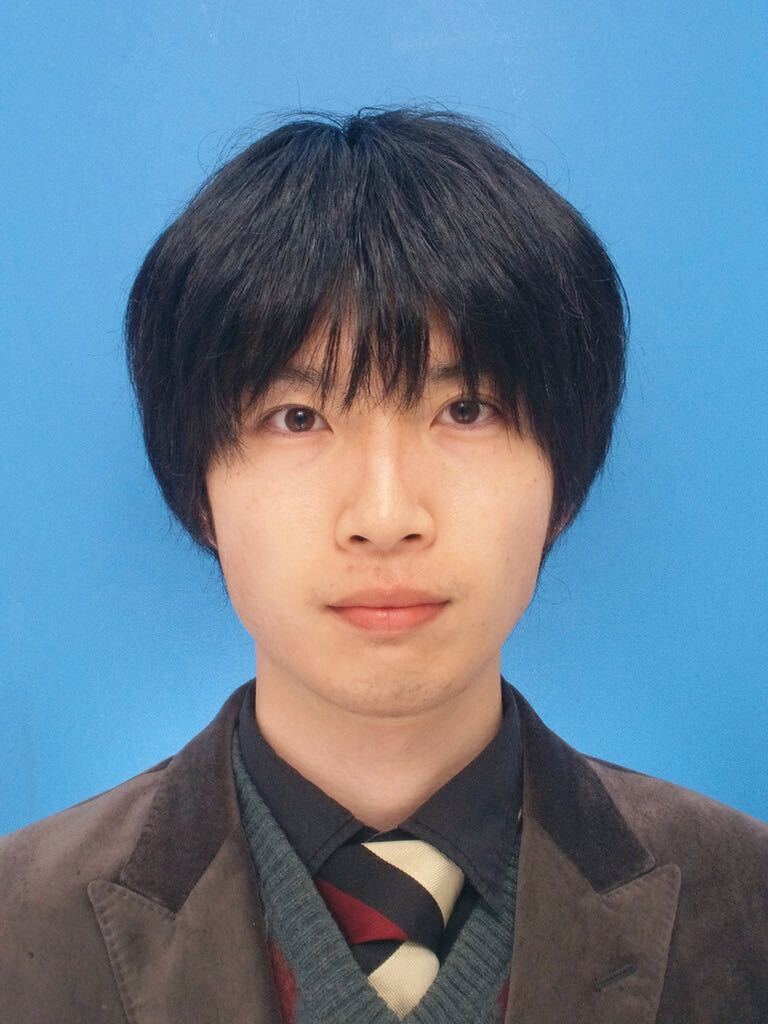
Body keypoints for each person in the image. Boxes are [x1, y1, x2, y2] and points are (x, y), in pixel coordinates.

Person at [1, 106, 766, 1024]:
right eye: (297, 417)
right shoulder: (20, 922)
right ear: (197, 488)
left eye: (466, 410)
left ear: (563, 481)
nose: (385, 518)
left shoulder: (745, 903)